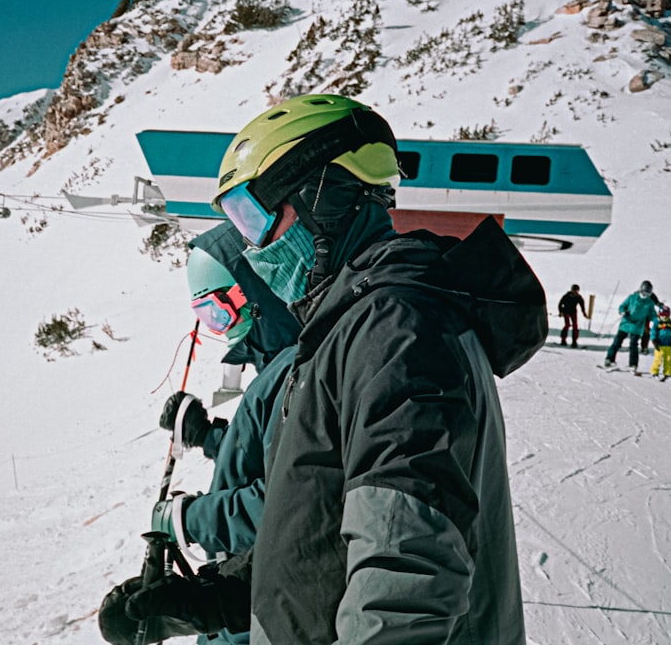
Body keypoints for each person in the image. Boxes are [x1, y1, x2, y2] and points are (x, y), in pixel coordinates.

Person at [114, 94, 546, 644]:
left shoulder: (396, 329)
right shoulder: (351, 332)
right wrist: (219, 600)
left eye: (252, 215)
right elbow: (320, 530)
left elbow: (404, 573)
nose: (253, 250)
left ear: (322, 195)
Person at [99, 226, 298, 645]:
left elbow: (294, 498)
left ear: (257, 293)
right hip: (253, 603)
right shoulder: (279, 366)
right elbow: (273, 452)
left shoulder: (302, 372)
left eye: (218, 310)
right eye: (205, 317)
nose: (221, 328)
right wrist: (209, 438)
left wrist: (191, 521)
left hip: (272, 614)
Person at [604, 280, 659, 373]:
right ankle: (609, 359)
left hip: (637, 326)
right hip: (626, 323)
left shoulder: (649, 303)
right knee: (617, 341)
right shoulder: (632, 298)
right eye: (643, 292)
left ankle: (633, 364)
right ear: (640, 290)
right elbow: (622, 306)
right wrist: (622, 312)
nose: (644, 295)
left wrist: (657, 321)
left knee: (633, 345)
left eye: (647, 293)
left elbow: (653, 314)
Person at [649, 304, 671, 380]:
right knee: (658, 359)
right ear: (659, 315)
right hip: (659, 345)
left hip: (668, 345)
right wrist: (654, 341)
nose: (664, 317)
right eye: (662, 315)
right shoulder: (657, 323)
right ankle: (654, 372)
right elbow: (653, 332)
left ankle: (668, 374)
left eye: (666, 315)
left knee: (668, 360)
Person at [638, 285, 662, 352]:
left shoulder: (652, 295)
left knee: (646, 332)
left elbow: (656, 302)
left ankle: (644, 347)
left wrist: (660, 305)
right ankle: (633, 346)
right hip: (637, 316)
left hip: (646, 316)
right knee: (635, 332)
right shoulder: (636, 295)